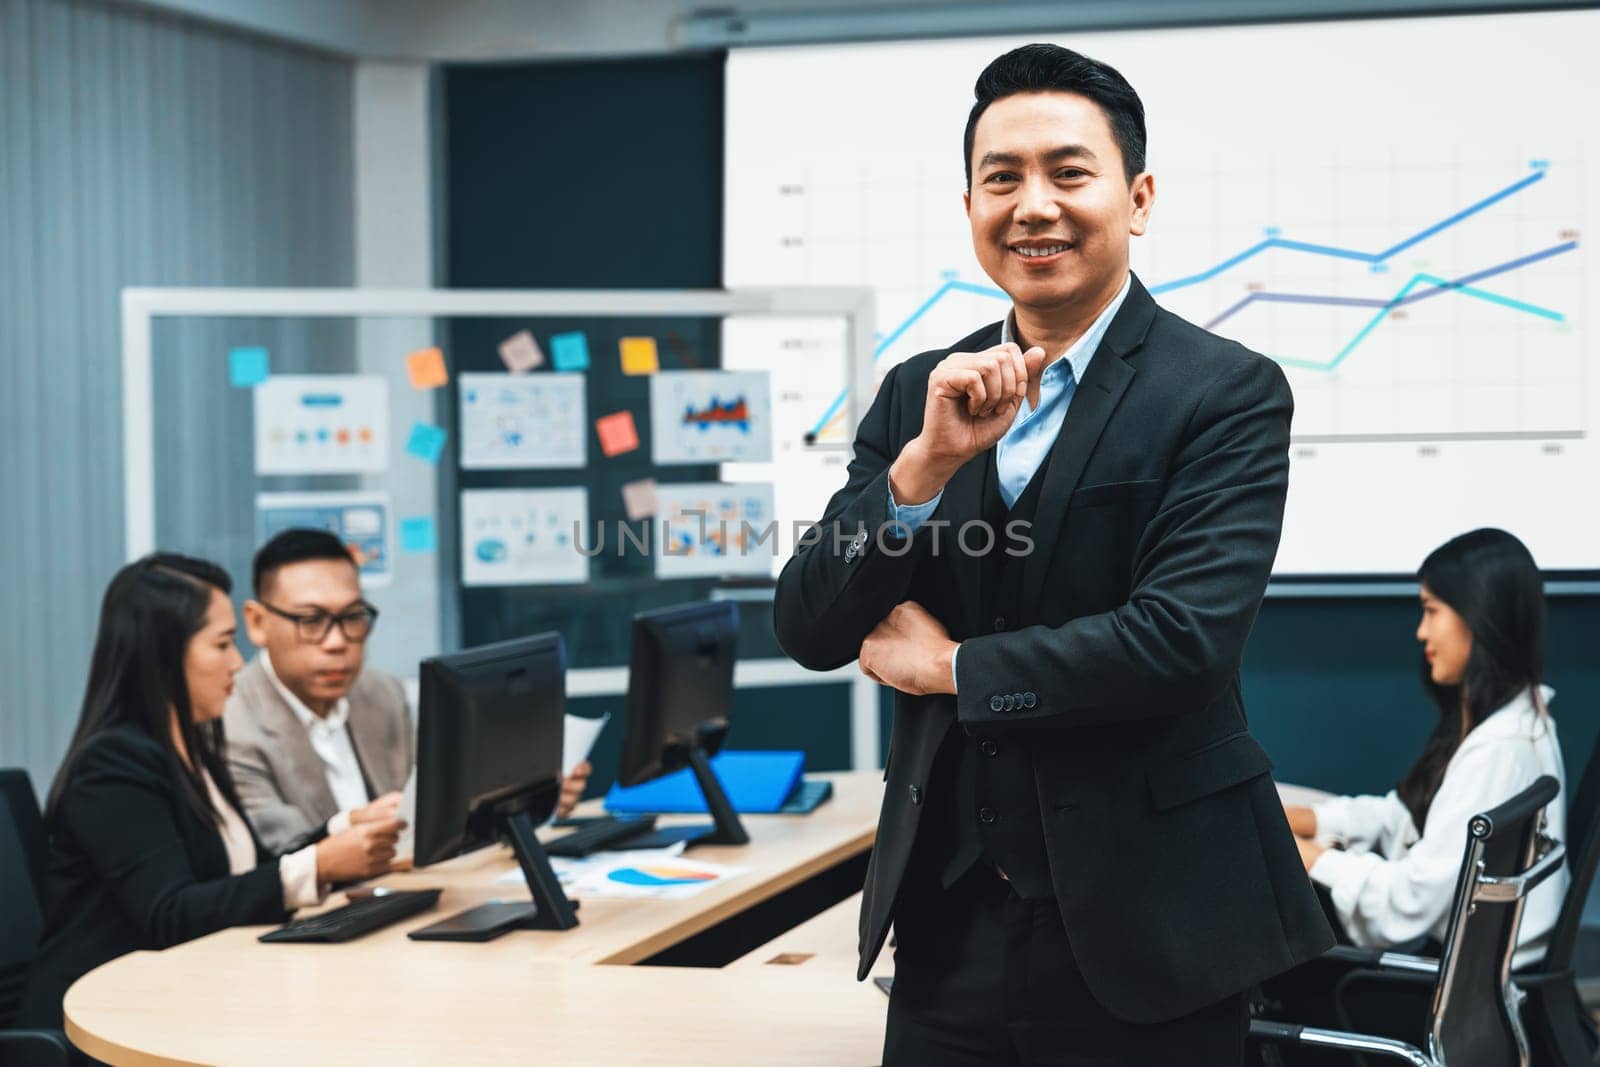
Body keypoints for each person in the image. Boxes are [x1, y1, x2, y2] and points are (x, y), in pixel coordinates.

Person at [774, 43, 1333, 1064]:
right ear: (971, 206)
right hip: (944, 931)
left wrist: (949, 668)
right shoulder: (916, 393)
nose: (1033, 205)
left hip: (1152, 929)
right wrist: (917, 475)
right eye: (1003, 178)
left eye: (1068, 172)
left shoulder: (1222, 391)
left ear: (1137, 197)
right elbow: (809, 624)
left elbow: (1180, 643)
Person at [17, 554, 402, 1032]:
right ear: (165, 655)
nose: (237, 661)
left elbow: (246, 877)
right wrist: (320, 863)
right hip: (107, 1024)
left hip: (192, 1001)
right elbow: (171, 914)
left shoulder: (195, 749)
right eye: (222, 644)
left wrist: (342, 831)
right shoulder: (113, 765)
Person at [1285, 528, 1567, 963]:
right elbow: (1406, 815)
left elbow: (1408, 902)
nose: (1421, 632)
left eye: (1431, 611)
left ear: (1478, 615)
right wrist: (1306, 820)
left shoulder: (1499, 752)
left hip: (1426, 983)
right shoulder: (1513, 720)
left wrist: (1310, 858)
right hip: (1458, 965)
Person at [225, 529, 590, 856]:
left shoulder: (382, 694)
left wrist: (521, 811)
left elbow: (437, 820)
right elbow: (286, 852)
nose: (337, 642)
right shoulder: (231, 721)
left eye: (353, 617)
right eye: (311, 621)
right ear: (257, 623)